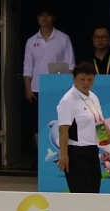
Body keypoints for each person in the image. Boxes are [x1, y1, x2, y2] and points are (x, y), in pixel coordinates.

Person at [56, 63, 110, 194]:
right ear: (74, 79)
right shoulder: (68, 101)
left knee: (94, 191)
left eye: (90, 79)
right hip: (76, 153)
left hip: (92, 151)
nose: (86, 83)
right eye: (82, 79)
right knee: (82, 193)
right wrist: (64, 155)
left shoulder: (93, 97)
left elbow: (100, 124)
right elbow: (63, 130)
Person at [22, 6, 73, 146]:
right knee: (37, 124)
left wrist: (67, 89)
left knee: (58, 122)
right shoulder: (31, 41)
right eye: (41, 15)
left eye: (48, 15)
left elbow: (70, 65)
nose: (44, 18)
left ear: (53, 18)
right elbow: (28, 67)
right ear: (37, 18)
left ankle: (60, 152)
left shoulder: (63, 38)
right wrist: (28, 89)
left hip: (57, 89)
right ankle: (40, 153)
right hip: (36, 89)